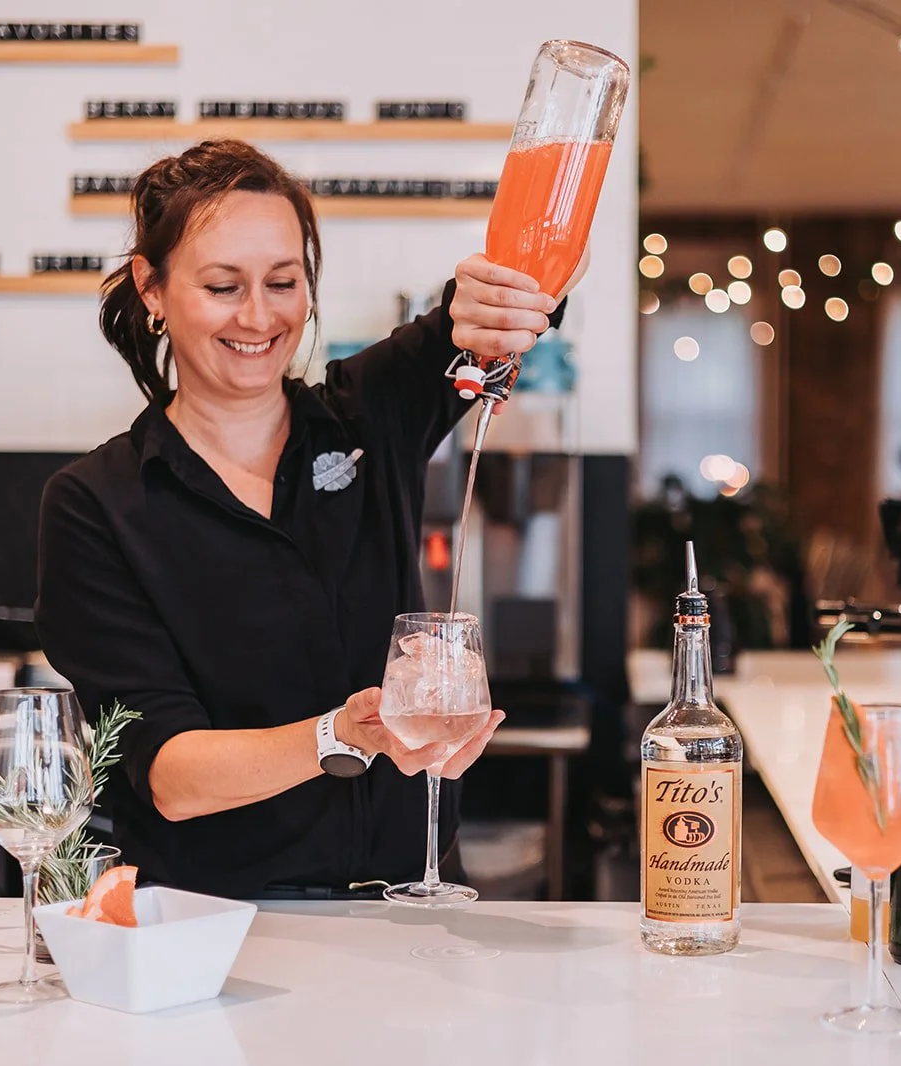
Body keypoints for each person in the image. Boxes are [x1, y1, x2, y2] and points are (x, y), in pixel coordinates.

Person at [34, 140, 580, 899]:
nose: (260, 316)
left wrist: (521, 289)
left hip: (411, 914)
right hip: (215, 933)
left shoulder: (369, 416)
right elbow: (171, 776)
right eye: (224, 286)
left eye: (283, 281)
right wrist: (340, 734)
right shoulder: (99, 504)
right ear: (151, 289)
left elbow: (482, 318)